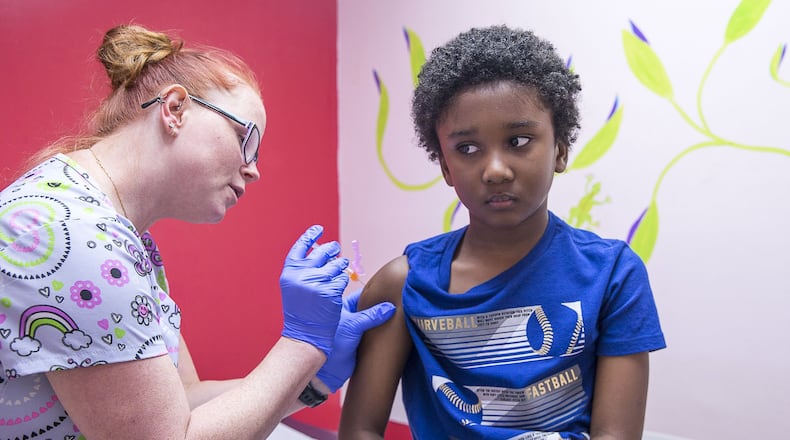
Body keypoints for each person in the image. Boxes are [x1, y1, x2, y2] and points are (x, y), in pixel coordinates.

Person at [0, 24, 395, 439]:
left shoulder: (116, 234)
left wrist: (315, 378)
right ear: (174, 110)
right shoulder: (70, 238)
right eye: (247, 138)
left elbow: (182, 400)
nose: (254, 169)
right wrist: (302, 345)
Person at [339, 25, 666, 440]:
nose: (495, 169)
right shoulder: (403, 285)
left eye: (519, 140)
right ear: (444, 166)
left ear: (560, 150)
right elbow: (360, 430)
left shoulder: (612, 275)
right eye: (468, 149)